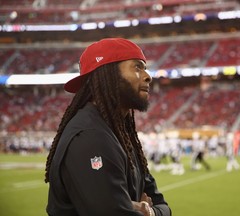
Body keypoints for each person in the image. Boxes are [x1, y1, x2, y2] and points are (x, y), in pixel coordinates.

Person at [44, 38, 172, 216]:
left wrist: (149, 213)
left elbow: (162, 205)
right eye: (137, 67)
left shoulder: (121, 133)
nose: (148, 76)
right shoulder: (90, 137)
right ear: (108, 74)